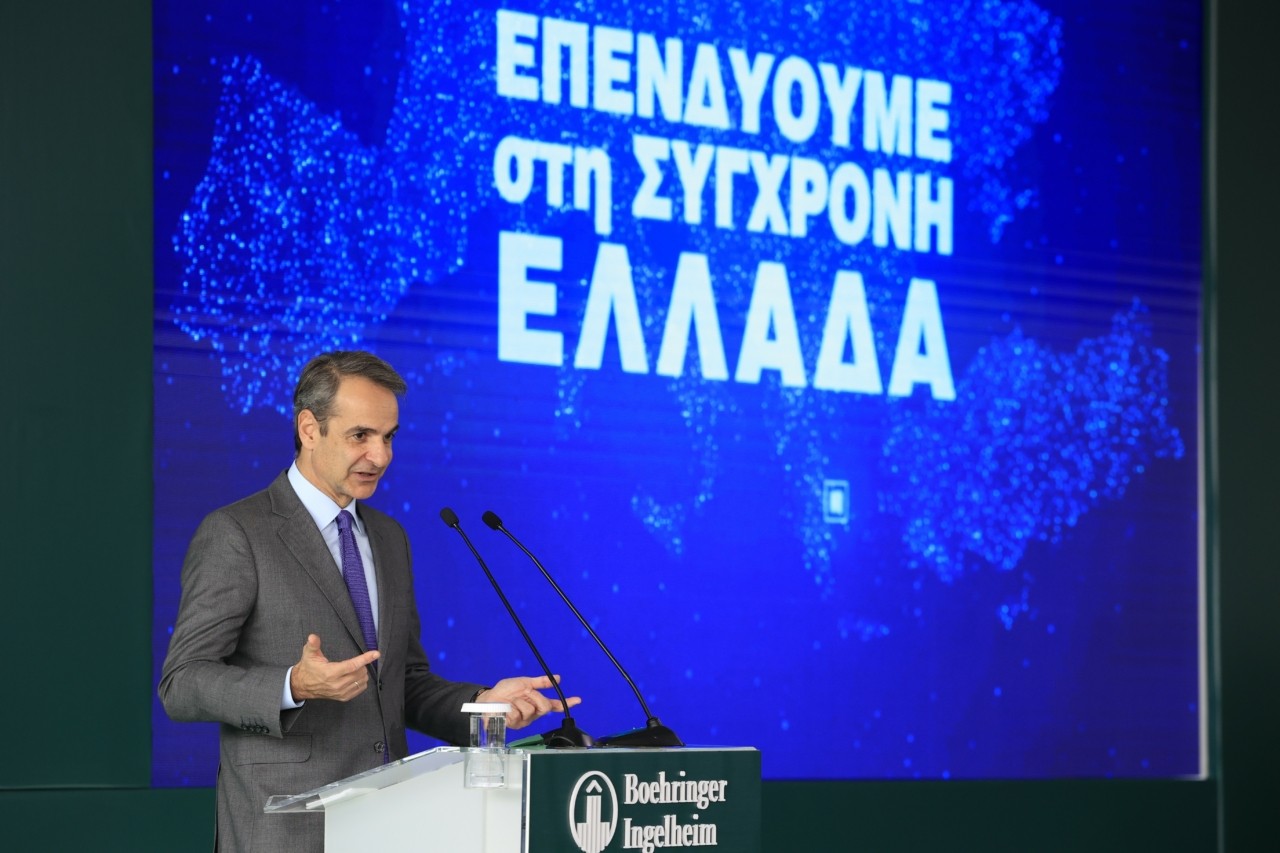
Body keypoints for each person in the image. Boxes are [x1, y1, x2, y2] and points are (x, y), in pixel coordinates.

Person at [159, 350, 580, 852]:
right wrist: (293, 685)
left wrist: (481, 705)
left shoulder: (389, 537)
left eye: (389, 437)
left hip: (386, 826)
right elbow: (182, 683)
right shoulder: (238, 533)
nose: (380, 457)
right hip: (284, 831)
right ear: (309, 429)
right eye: (360, 435)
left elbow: (402, 683)